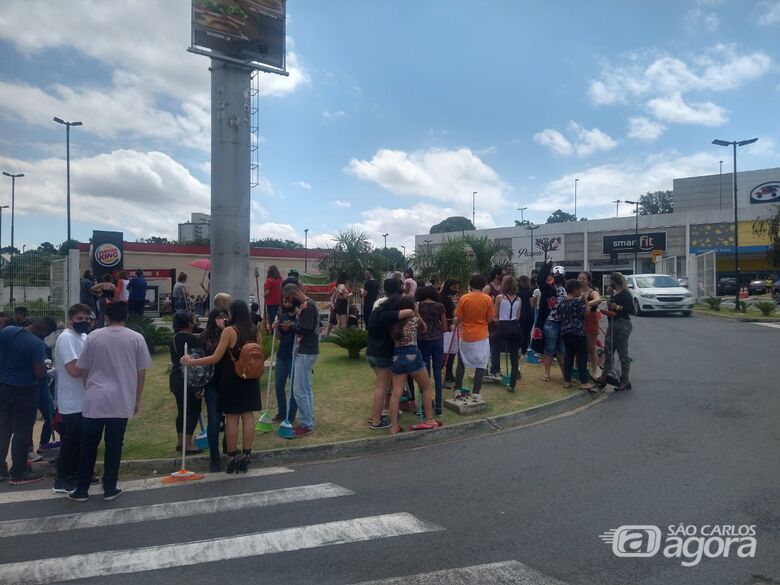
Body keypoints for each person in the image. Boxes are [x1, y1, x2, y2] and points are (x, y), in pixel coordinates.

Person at [68, 301, 152, 502]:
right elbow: (141, 372)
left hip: (95, 398)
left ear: (106, 316)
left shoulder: (94, 336)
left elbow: (84, 369)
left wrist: (89, 387)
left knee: (88, 445)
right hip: (121, 399)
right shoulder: (136, 338)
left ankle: (81, 489)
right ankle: (110, 486)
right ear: (126, 316)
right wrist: (137, 398)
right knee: (114, 444)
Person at [182, 300, 260, 473]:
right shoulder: (254, 330)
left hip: (233, 378)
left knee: (231, 417)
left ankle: (232, 457)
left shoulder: (230, 331)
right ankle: (247, 455)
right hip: (251, 377)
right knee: (248, 416)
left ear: (233, 313)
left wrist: (191, 362)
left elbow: (215, 358)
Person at [0, 317, 58, 485]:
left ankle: (1, 469)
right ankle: (18, 472)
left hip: (3, 386)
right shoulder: (36, 344)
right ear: (44, 331)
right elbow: (39, 372)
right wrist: (48, 372)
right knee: (22, 432)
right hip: (24, 390)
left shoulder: (8, 331)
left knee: (4, 429)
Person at [52, 304, 92, 494]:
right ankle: (62, 478)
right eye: (79, 319)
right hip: (71, 399)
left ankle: (79, 473)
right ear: (71, 320)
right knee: (71, 441)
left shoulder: (83, 337)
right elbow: (74, 370)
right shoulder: (66, 338)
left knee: (82, 440)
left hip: (84, 398)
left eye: (86, 319)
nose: (83, 322)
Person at [388, 295, 440, 434]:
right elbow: (424, 329)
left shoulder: (394, 322)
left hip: (397, 356)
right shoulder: (414, 319)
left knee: (396, 393)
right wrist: (417, 313)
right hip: (413, 354)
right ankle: (429, 419)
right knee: (426, 387)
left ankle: (393, 426)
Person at [366, 279, 411, 430]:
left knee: (382, 385)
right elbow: (408, 312)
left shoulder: (377, 311)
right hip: (382, 354)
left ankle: (377, 414)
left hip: (371, 352)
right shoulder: (389, 315)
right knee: (382, 387)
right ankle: (376, 422)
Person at [282, 283, 319, 437]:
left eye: (288, 298)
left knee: (298, 390)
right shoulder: (307, 305)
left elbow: (307, 329)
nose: (288, 302)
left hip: (306, 351)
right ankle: (308, 418)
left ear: (293, 293)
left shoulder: (308, 306)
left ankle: (306, 424)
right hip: (306, 350)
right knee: (305, 388)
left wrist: (291, 326)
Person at [452, 274, 495, 399]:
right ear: (483, 286)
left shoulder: (464, 298)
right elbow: (490, 319)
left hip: (466, 335)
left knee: (461, 362)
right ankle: (476, 392)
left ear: (470, 285)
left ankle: (457, 389)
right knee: (481, 364)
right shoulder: (487, 299)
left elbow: (459, 317)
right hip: (481, 336)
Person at [169, 311, 203, 455]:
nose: (196, 322)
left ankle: (180, 442)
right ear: (189, 323)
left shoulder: (175, 338)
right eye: (194, 319)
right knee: (192, 411)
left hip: (176, 377)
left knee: (182, 411)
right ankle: (187, 444)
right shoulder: (192, 339)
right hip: (190, 378)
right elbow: (199, 358)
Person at [199, 308, 229, 471]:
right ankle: (214, 457)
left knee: (230, 418)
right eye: (219, 317)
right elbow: (206, 357)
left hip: (229, 381)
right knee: (214, 419)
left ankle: (228, 448)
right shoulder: (205, 336)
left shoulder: (231, 332)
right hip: (212, 382)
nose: (223, 319)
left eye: (225, 316)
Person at [596, 273, 634, 391]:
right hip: (612, 323)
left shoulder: (625, 294)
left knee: (622, 352)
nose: (609, 283)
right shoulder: (613, 293)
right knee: (608, 350)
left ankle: (625, 379)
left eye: (610, 281)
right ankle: (605, 376)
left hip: (622, 324)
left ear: (614, 281)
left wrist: (616, 307)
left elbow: (630, 309)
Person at [557, 280, 594, 392]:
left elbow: (559, 317)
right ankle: (584, 382)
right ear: (576, 290)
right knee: (581, 357)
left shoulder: (562, 302)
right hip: (578, 332)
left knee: (568, 357)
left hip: (566, 332)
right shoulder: (578, 302)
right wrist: (586, 302)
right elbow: (587, 314)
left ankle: (567, 381)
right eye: (580, 289)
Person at [416, 286, 447, 414]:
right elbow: (445, 327)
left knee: (424, 374)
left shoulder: (418, 306)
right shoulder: (440, 306)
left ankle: (425, 405)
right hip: (438, 340)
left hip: (423, 340)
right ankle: (439, 405)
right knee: (437, 374)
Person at [536, 261, 567, 382]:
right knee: (549, 349)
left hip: (564, 323)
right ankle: (547, 373)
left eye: (561, 275)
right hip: (551, 322)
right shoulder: (547, 288)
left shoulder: (567, 289)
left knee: (562, 350)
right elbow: (540, 279)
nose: (559, 277)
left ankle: (565, 373)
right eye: (557, 275)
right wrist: (546, 266)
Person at [494, 275, 523, 393]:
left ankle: (493, 369)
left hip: (503, 325)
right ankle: (512, 384)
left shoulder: (500, 298)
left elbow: (495, 314)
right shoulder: (519, 299)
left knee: (492, 342)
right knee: (514, 356)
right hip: (515, 326)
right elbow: (518, 316)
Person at [272, 297, 298, 424]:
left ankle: (291, 415)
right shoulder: (282, 316)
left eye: (289, 301)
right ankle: (281, 413)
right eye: (285, 302)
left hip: (294, 356)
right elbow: (279, 337)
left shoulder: (300, 316)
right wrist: (276, 328)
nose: (287, 304)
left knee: (294, 387)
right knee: (278, 385)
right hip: (282, 355)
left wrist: (292, 327)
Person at [578, 271, 602, 379]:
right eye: (580, 278)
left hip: (591, 320)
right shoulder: (576, 291)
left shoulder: (592, 292)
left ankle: (594, 371)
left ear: (588, 280)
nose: (581, 280)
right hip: (578, 321)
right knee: (578, 348)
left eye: (584, 279)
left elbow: (598, 300)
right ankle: (578, 371)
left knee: (591, 348)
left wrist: (586, 303)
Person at [483, 266, 505, 382]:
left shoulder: (503, 288)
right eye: (502, 273)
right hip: (489, 321)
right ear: (497, 274)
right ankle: (483, 369)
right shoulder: (488, 288)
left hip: (500, 321)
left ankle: (495, 369)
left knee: (496, 346)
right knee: (486, 346)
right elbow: (483, 304)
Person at [440, 278, 460, 388]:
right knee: (447, 353)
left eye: (456, 288)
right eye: (453, 288)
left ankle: (449, 374)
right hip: (446, 328)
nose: (455, 290)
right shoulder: (442, 298)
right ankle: (445, 376)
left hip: (451, 327)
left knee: (452, 353)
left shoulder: (448, 297)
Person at [517, 275, 535, 355]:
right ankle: (525, 349)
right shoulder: (529, 292)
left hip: (519, 314)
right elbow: (532, 305)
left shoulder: (516, 292)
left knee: (519, 332)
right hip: (528, 314)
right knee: (526, 333)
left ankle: (518, 348)